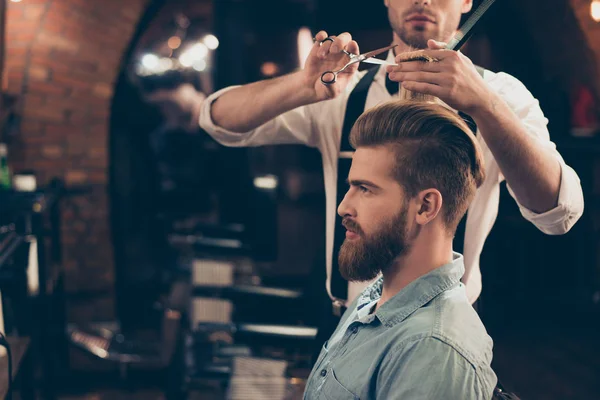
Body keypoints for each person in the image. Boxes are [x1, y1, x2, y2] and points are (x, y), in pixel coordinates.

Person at [192, 0, 583, 347]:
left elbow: (558, 213)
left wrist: (485, 106)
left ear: (468, 2)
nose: (422, 0)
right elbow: (217, 120)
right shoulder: (343, 90)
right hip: (341, 327)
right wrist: (301, 85)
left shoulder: (502, 96)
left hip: (439, 338)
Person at [303, 99, 495, 399]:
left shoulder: (433, 350)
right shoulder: (374, 298)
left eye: (365, 189)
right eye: (350, 186)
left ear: (425, 206)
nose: (343, 206)